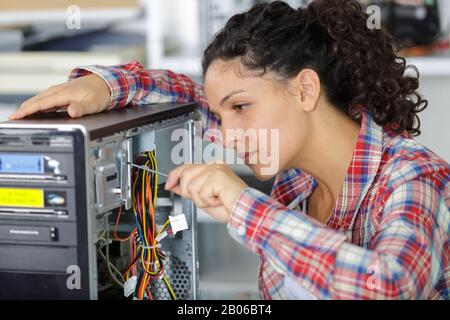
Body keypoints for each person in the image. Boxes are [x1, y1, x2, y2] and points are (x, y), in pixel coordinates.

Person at [9, 0, 449, 299]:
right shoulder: (298, 177)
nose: (227, 134)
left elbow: (387, 285)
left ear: (305, 90)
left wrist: (244, 204)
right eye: (222, 115)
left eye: (240, 107)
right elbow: (188, 94)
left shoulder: (413, 178)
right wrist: (104, 84)